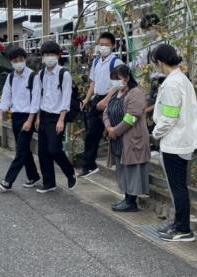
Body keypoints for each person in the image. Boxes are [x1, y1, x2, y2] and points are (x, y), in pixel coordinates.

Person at [151, 44, 197, 242]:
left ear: (160, 62)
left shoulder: (172, 84)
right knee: (179, 187)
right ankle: (179, 224)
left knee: (177, 187)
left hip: (175, 141)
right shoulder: (181, 79)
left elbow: (169, 116)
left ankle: (182, 228)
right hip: (182, 138)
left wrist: (156, 133)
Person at [103, 65, 150, 212]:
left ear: (127, 78)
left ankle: (131, 202)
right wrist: (108, 127)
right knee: (122, 169)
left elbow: (132, 117)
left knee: (132, 170)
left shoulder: (136, 93)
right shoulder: (115, 93)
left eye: (118, 79)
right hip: (117, 139)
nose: (115, 82)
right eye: (113, 79)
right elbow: (106, 112)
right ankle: (126, 197)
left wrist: (115, 131)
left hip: (131, 138)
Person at [0, 47, 41, 191]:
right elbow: (6, 96)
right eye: (15, 60)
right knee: (24, 149)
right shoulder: (11, 77)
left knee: (20, 150)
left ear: (25, 59)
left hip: (28, 116)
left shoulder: (33, 77)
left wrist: (30, 120)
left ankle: (8, 181)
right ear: (11, 62)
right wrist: (0, 114)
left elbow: (36, 100)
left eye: (20, 59)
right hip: (15, 116)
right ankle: (33, 176)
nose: (18, 62)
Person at [36, 40, 77, 193]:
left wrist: (61, 120)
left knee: (54, 149)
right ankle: (49, 183)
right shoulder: (41, 74)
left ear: (58, 55)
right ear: (42, 56)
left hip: (57, 117)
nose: (49, 57)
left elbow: (66, 98)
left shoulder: (64, 74)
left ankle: (70, 172)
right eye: (46, 54)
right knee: (43, 151)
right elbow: (39, 96)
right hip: (44, 115)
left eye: (52, 54)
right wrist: (38, 117)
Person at [80, 32, 123, 177]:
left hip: (111, 98)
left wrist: (106, 100)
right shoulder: (96, 62)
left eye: (107, 45)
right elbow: (94, 82)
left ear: (113, 46)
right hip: (97, 98)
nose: (103, 47)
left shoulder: (116, 62)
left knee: (112, 131)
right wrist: (87, 99)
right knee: (91, 132)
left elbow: (119, 84)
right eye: (101, 45)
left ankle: (118, 163)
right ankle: (89, 166)